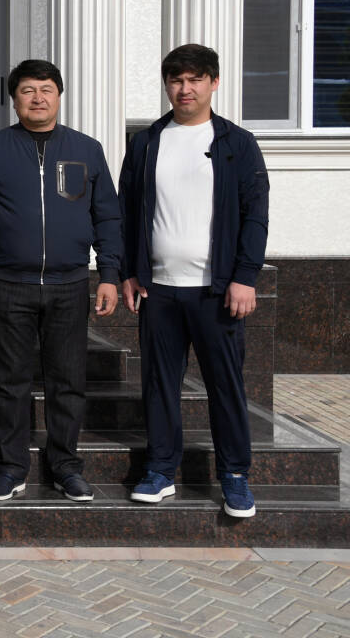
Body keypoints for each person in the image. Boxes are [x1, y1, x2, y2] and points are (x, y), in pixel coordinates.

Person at [119, 44, 269, 519]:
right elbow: (127, 212)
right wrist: (127, 271)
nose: (185, 89)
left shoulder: (237, 143)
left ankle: (235, 476)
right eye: (176, 80)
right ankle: (161, 469)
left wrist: (245, 277)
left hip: (216, 290)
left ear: (214, 83)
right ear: (167, 85)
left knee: (225, 385)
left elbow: (255, 215)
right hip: (158, 288)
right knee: (159, 384)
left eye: (195, 79)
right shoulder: (146, 143)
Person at [0, 59, 120, 503]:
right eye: (28, 90)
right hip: (8, 283)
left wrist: (109, 273)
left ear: (59, 96)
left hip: (70, 284)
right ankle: (11, 467)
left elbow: (107, 216)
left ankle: (66, 466)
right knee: (9, 380)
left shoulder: (86, 149)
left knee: (67, 380)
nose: (37, 98)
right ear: (14, 99)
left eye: (46, 89)